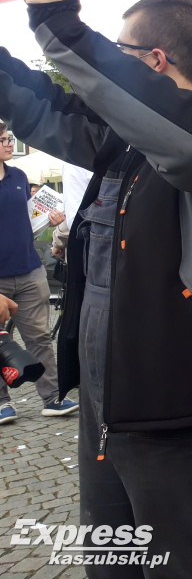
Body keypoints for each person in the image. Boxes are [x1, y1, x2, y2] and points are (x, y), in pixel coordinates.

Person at [5, 0, 192, 578]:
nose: (106, 71)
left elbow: (182, 137)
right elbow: (40, 105)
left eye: (119, 52)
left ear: (154, 61)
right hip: (109, 413)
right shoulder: (119, 143)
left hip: (184, 414)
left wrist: (62, 24)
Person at [0, 120, 78, 426]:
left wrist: (51, 219)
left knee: (40, 337)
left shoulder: (19, 177)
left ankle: (53, 397)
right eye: (2, 140)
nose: (9, 143)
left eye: (9, 138)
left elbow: (29, 220)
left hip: (29, 271)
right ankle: (2, 403)